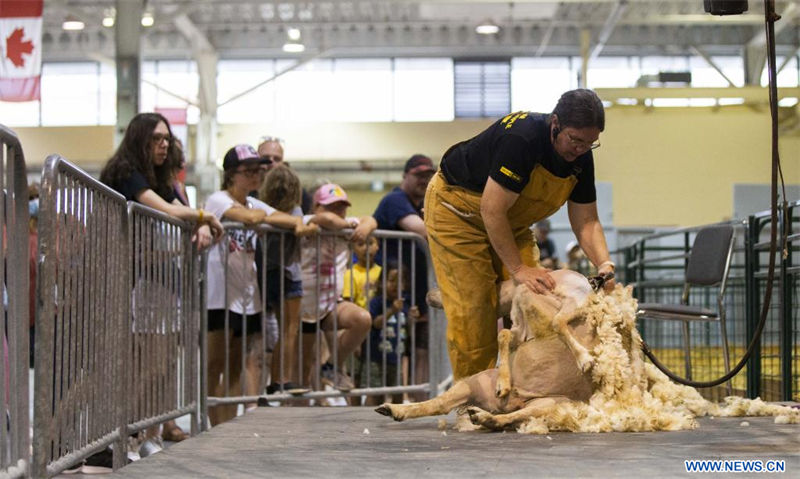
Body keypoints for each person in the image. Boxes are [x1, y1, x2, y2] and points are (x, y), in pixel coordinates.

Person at [424, 88, 616, 381]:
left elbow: (587, 221)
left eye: (590, 143)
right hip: (458, 213)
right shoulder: (522, 139)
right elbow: (491, 210)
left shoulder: (581, 158)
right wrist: (517, 268)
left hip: (509, 223)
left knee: (538, 297)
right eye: (575, 140)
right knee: (474, 314)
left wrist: (605, 265)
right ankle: (475, 400)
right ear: (555, 124)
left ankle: (527, 387)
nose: (580, 149)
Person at [100, 112, 224, 452]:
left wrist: (198, 224)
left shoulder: (163, 178)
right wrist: (204, 217)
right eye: (156, 138)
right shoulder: (127, 173)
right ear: (140, 140)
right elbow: (167, 210)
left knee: (164, 364)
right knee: (144, 366)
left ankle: (149, 434)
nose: (164, 144)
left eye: (166, 138)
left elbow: (180, 207)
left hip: (165, 284)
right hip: (133, 283)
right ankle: (129, 436)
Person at [204, 144, 318, 425]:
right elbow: (253, 217)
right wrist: (281, 220)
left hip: (246, 296)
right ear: (232, 174)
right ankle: (212, 424)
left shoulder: (253, 202)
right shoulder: (218, 200)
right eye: (250, 171)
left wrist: (294, 223)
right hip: (219, 295)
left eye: (259, 170)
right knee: (215, 364)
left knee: (234, 366)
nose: (257, 175)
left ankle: (226, 427)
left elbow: (281, 216)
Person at [299, 183, 375, 392]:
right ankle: (302, 415)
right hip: (304, 307)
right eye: (332, 206)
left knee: (362, 319)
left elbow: (370, 220)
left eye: (342, 207)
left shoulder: (345, 225)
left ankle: (332, 365)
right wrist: (349, 226)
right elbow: (327, 220)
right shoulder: (308, 222)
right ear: (317, 206)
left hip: (332, 303)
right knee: (304, 366)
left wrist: (365, 227)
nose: (338, 212)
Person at [372, 154, 435, 399]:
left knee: (420, 350)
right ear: (405, 176)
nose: (424, 180)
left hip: (417, 292)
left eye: (428, 176)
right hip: (391, 296)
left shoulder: (424, 204)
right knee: (383, 358)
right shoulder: (394, 200)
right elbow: (423, 231)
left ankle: (421, 401)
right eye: (419, 175)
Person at [257, 164, 311, 394]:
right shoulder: (295, 210)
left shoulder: (264, 211)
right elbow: (300, 230)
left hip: (267, 272)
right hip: (289, 273)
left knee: (267, 332)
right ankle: (282, 379)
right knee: (289, 329)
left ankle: (272, 380)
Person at [361, 263, 419, 406]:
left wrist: (412, 319)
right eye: (392, 280)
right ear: (382, 282)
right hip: (376, 358)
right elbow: (375, 323)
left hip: (396, 358)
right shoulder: (377, 302)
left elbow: (407, 330)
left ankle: (395, 422)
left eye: (400, 281)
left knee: (398, 393)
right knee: (376, 396)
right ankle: (370, 422)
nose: (395, 285)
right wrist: (391, 311)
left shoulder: (405, 304)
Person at [257, 136, 313, 213]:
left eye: (276, 159)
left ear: (282, 163)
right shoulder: (245, 189)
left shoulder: (297, 193)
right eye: (265, 158)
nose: (271, 162)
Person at [342, 235, 381, 310]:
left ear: (377, 246)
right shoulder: (350, 274)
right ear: (353, 249)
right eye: (360, 244)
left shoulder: (382, 271)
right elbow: (348, 303)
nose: (366, 248)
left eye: (370, 243)